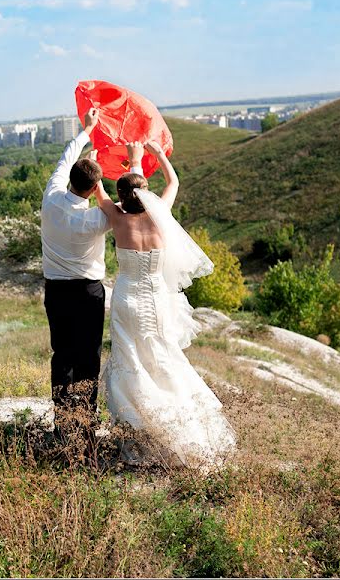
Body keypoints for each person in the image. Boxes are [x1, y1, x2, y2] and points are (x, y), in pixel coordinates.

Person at [92, 140, 237, 471]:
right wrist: (151, 155)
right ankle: (179, 424)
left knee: (130, 358)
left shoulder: (117, 217)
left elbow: (99, 192)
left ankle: (137, 432)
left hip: (127, 299)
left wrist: (93, 161)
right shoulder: (161, 216)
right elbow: (173, 183)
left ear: (122, 196)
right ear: (146, 195)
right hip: (157, 300)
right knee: (161, 356)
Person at [40, 108, 143, 439]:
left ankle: (62, 423)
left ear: (70, 179)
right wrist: (134, 163)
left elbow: (66, 156)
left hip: (55, 290)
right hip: (88, 293)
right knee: (88, 356)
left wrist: (87, 131)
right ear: (95, 188)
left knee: (62, 356)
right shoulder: (99, 220)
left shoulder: (51, 199)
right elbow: (131, 207)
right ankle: (86, 422)